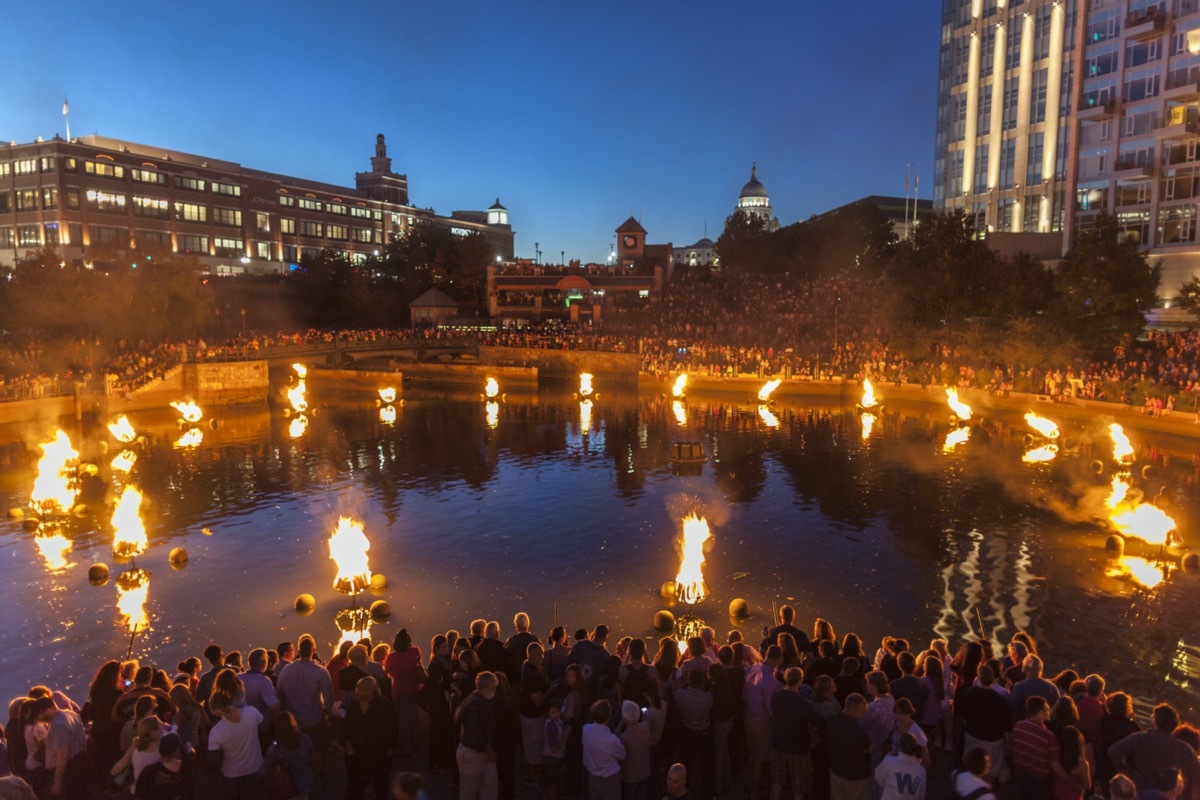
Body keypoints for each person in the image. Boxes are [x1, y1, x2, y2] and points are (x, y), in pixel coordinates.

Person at [1108, 703, 1200, 798]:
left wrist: (1127, 772)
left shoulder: (1138, 738)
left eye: (1153, 714)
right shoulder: (1183, 747)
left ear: (1155, 720)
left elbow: (1113, 751)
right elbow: (1196, 772)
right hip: (1167, 795)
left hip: (1140, 790)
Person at [275, 636, 334, 782]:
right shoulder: (320, 671)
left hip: (293, 721)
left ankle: (294, 781)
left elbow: (279, 694)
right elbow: (329, 699)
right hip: (314, 719)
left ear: (299, 651)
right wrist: (326, 711)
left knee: (293, 750)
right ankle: (318, 780)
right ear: (314, 651)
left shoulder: (286, 670)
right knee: (318, 751)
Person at [769, 666, 819, 800]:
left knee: (777, 782)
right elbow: (814, 725)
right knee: (799, 786)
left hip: (779, 743)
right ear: (800, 681)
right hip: (798, 748)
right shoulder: (805, 705)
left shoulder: (776, 696)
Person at [344, 677, 398, 800]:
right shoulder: (353, 705)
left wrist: (391, 749)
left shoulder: (384, 705)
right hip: (357, 753)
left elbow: (392, 727)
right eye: (358, 688)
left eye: (364, 688)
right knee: (354, 787)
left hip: (379, 753)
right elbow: (347, 727)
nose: (359, 691)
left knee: (381, 787)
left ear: (372, 691)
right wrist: (348, 744)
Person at [954, 665, 1009, 784]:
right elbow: (1006, 727)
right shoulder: (1000, 700)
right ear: (994, 679)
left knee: (971, 770)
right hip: (993, 741)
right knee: (990, 773)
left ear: (979, 678)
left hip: (973, 736)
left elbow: (963, 717)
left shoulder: (969, 693)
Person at [206, 692, 263, 800]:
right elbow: (261, 724)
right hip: (256, 767)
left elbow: (213, 761)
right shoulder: (252, 712)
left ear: (215, 710)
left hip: (232, 774)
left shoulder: (216, 731)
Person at [32, 696, 89, 799]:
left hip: (67, 771)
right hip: (80, 762)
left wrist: (57, 783)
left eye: (39, 715)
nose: (38, 719)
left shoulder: (58, 726)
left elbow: (62, 754)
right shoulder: (71, 714)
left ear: (48, 710)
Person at [456, 671, 499, 800]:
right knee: (469, 791)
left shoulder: (474, 699)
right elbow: (474, 734)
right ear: (483, 688)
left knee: (489, 786)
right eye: (493, 688)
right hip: (473, 752)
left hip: (479, 750)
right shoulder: (474, 706)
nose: (495, 691)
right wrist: (488, 749)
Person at [384, 629, 424, 758]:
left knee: (402, 720)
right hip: (414, 688)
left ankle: (406, 748)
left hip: (399, 691)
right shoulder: (415, 651)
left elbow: (387, 671)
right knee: (414, 717)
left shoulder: (391, 657)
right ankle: (417, 744)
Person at [1010, 696, 1060, 799]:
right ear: (1040, 713)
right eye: (1047, 709)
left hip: (1021, 775)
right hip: (1040, 781)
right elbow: (1055, 766)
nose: (1050, 711)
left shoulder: (1018, 726)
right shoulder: (1048, 736)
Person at [826, 694, 872, 800]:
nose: (863, 715)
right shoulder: (857, 731)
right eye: (862, 712)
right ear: (854, 710)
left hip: (837, 772)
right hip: (856, 777)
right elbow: (870, 747)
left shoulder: (831, 720)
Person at [261, 712, 313, 800]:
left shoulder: (275, 748)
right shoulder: (305, 739)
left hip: (285, 787)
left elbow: (265, 768)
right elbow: (311, 758)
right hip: (303, 782)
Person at [519, 642, 550, 786]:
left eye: (542, 654)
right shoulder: (532, 675)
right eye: (538, 654)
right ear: (530, 655)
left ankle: (533, 773)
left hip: (527, 713)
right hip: (533, 716)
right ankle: (532, 776)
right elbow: (537, 701)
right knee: (534, 746)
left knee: (531, 744)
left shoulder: (526, 666)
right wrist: (551, 690)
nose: (542, 657)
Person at [581, 700, 625, 800]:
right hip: (610, 780)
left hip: (592, 776)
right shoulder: (611, 739)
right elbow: (623, 755)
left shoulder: (585, 729)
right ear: (609, 717)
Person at [133, 732, 190, 800]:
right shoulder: (186, 769)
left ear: (160, 749)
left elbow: (140, 796)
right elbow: (190, 793)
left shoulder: (149, 772)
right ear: (176, 750)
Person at [875, 732, 926, 800]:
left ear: (900, 747)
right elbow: (921, 795)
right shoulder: (921, 770)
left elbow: (879, 779)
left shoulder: (889, 761)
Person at [1053, 725, 1091, 800]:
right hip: (1075, 797)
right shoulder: (1082, 763)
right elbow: (1087, 785)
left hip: (1058, 794)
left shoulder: (1058, 758)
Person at [505, 613, 540, 686]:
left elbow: (505, 660)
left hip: (515, 681)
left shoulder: (511, 641)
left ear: (516, 626)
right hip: (533, 681)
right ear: (528, 624)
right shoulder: (535, 640)